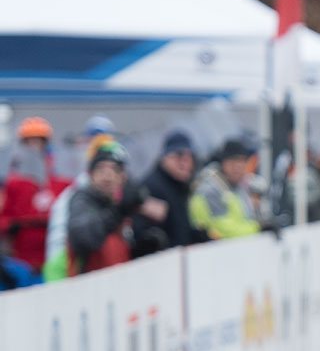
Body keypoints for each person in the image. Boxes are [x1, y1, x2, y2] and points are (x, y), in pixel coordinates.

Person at [67, 140, 161, 275]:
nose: (107, 177)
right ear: (91, 175)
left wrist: (141, 250)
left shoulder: (122, 205)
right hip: (88, 287)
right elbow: (84, 237)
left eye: (114, 170)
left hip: (120, 284)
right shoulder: (82, 200)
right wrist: (118, 212)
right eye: (101, 169)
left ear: (123, 177)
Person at [0, 116, 71, 275]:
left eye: (38, 141)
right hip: (21, 262)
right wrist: (14, 225)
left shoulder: (60, 183)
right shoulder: (13, 184)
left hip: (54, 259)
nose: (34, 147)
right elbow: (3, 219)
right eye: (29, 142)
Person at [132, 130, 208, 257]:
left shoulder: (180, 187)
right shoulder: (152, 187)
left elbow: (179, 228)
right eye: (179, 156)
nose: (185, 162)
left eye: (190, 157)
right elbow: (144, 237)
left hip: (178, 264)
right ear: (165, 158)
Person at [189, 138, 261, 239]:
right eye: (233, 162)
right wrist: (258, 229)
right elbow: (222, 229)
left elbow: (247, 219)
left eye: (242, 161)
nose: (238, 167)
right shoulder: (210, 190)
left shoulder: (238, 187)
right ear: (223, 163)